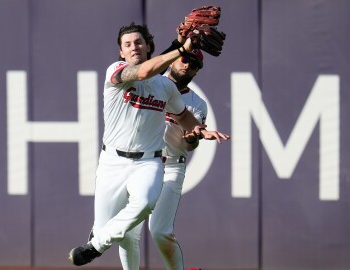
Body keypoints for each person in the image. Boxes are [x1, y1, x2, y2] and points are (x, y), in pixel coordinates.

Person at [68, 22, 229, 267]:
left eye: (139, 43)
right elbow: (142, 73)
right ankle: (102, 235)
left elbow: (183, 116)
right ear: (121, 52)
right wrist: (181, 48)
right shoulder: (117, 72)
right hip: (112, 162)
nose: (134, 47)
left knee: (144, 205)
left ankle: (96, 245)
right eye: (127, 44)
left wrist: (198, 130)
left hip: (149, 162)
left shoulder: (165, 87)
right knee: (121, 234)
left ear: (149, 47)